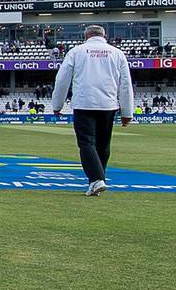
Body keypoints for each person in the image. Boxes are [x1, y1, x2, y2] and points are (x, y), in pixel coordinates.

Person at [50, 25, 134, 195]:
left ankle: (96, 179)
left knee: (87, 143)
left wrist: (57, 105)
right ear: (105, 36)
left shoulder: (77, 51)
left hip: (84, 103)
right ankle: (97, 180)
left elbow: (62, 80)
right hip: (108, 104)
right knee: (103, 145)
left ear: (86, 36)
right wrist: (127, 112)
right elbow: (125, 84)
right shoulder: (117, 53)